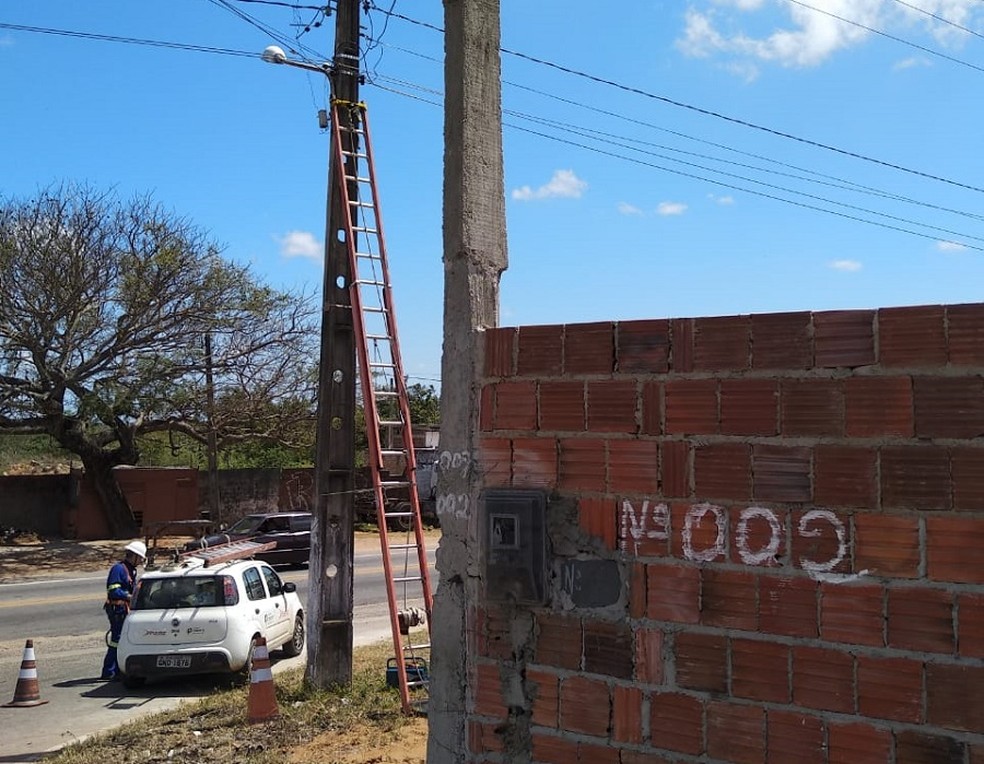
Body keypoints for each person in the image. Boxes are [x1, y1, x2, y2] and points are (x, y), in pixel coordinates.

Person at [100, 540, 146, 681]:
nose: (140, 561)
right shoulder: (119, 569)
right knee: (117, 640)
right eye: (140, 558)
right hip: (117, 609)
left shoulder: (131, 569)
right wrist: (128, 596)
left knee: (121, 640)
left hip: (124, 609)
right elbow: (113, 590)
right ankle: (109, 671)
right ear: (134, 556)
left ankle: (117, 670)